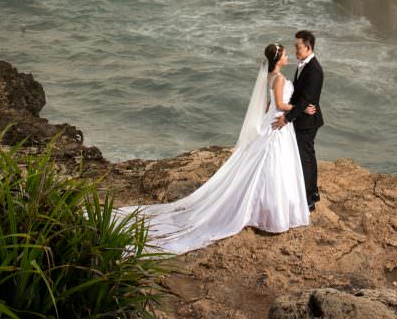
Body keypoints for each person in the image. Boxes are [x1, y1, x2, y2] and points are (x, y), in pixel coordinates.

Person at [115, 42, 316, 254]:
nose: (287, 57)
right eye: (285, 55)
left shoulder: (271, 77)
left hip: (275, 121)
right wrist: (303, 108)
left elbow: (269, 106)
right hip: (279, 123)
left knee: (269, 165)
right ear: (278, 60)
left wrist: (276, 113)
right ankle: (268, 213)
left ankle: (266, 209)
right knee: (271, 166)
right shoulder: (280, 79)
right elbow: (280, 104)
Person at [272, 30, 324, 211]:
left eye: (298, 46)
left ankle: (308, 199)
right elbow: (299, 98)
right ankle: (313, 192)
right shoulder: (303, 64)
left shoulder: (315, 70)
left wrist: (286, 118)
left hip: (307, 121)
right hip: (303, 116)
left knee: (305, 159)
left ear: (308, 47)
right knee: (308, 155)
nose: (295, 50)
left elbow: (305, 99)